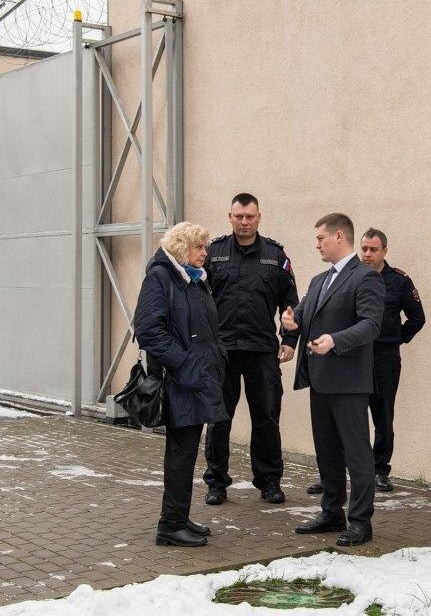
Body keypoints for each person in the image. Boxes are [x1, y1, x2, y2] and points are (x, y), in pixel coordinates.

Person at [281, 213, 385, 546]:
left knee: (357, 453)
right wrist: (291, 323)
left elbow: (371, 325)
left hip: (349, 382)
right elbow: (301, 317)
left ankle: (360, 521)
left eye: (320, 238)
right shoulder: (318, 281)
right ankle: (331, 512)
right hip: (320, 379)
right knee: (327, 452)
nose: (317, 245)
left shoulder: (365, 277)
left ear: (339, 236)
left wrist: (335, 341)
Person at [304, 228, 426, 495]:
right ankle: (334, 474)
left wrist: (395, 339)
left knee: (382, 415)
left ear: (385, 251)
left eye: (374, 250)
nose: (368, 254)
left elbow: (417, 318)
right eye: (364, 249)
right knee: (343, 418)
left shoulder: (399, 281)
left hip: (382, 358)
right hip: (353, 357)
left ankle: (380, 470)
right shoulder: (350, 278)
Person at [134, 222, 229, 547]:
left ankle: (179, 517)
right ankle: (170, 526)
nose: (205, 253)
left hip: (197, 380)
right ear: (181, 248)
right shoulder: (161, 278)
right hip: (180, 382)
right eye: (199, 247)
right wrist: (185, 363)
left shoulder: (193, 279)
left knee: (186, 454)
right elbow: (148, 331)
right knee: (180, 454)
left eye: (205, 247)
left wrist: (214, 361)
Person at [202, 193, 299, 506]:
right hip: (222, 351)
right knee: (218, 419)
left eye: (250, 217)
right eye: (239, 217)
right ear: (230, 217)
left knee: (266, 417)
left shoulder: (275, 255)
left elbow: (290, 304)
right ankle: (216, 483)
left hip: (261, 350)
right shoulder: (213, 253)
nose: (244, 222)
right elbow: (198, 299)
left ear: (259, 218)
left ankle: (269, 481)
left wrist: (289, 340)